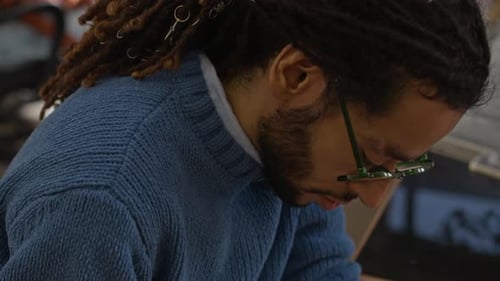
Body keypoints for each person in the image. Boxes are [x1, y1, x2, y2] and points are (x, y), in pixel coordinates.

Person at [0, 0, 491, 280]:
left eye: (402, 166)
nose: (373, 193)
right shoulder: (98, 201)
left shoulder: (284, 143)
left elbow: (317, 273)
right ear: (297, 75)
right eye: (376, 157)